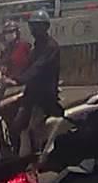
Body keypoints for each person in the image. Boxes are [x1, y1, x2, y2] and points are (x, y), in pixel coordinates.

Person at [6, 10, 61, 155]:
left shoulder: (50, 47)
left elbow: (38, 68)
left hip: (44, 97)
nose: (34, 29)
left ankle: (37, 158)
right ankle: (17, 157)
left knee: (33, 129)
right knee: (15, 125)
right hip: (31, 95)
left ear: (45, 27)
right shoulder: (36, 47)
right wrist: (10, 77)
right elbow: (26, 66)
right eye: (32, 26)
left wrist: (18, 80)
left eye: (38, 26)